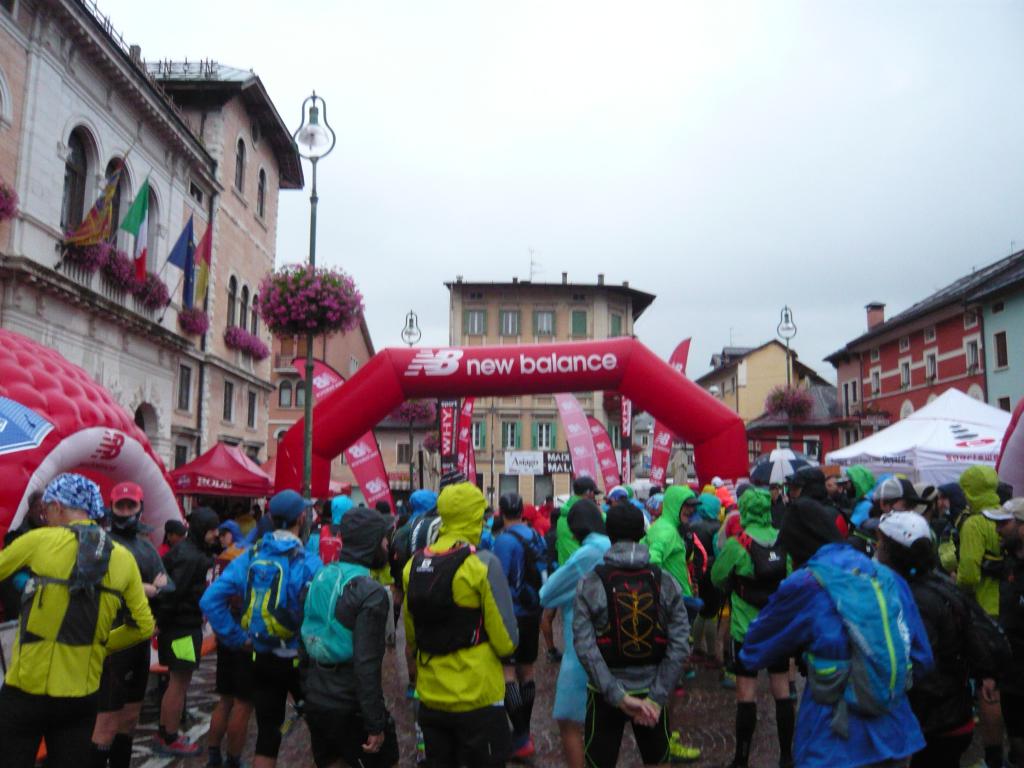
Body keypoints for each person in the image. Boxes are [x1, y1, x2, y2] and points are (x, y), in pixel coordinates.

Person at [739, 502, 934, 768]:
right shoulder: (886, 578)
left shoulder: (805, 583)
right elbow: (922, 658)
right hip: (895, 733)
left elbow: (753, 649)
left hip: (832, 740)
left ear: (797, 547)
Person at [0, 474, 154, 768]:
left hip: (25, 689)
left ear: (57, 507)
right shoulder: (123, 558)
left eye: (46, 512)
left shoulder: (38, 540)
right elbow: (144, 625)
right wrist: (102, 644)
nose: (45, 519)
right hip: (81, 696)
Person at [200, 490, 323, 768]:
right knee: (321, 730)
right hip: (299, 660)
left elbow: (210, 600)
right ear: (301, 518)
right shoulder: (309, 562)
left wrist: (237, 638)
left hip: (262, 656)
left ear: (270, 517)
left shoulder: (249, 556)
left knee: (268, 734)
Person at [403, 482, 518, 767]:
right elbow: (506, 641)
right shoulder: (482, 564)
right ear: (475, 517)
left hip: (431, 695)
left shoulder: (413, 565)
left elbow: (412, 636)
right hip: (478, 695)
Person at [873, 511, 999, 768]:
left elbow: (919, 667)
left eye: (881, 542)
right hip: (953, 714)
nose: (876, 547)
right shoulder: (938, 583)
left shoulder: (914, 599)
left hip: (935, 723)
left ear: (893, 551)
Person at [573, 503, 692, 767]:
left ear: (609, 533)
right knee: (658, 761)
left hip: (604, 693)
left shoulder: (590, 582)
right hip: (652, 688)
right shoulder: (665, 581)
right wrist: (657, 697)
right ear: (642, 533)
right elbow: (680, 644)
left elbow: (584, 646)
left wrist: (617, 695)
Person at [301, 506, 399, 768]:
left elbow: (305, 636)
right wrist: (375, 722)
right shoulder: (370, 592)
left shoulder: (322, 574)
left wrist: (305, 693)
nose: (387, 545)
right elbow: (366, 664)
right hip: (349, 703)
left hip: (317, 697)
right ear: (371, 542)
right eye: (383, 538)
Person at [710, 488, 792, 768]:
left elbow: (717, 577)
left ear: (744, 511)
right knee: (782, 690)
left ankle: (741, 759)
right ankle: (786, 756)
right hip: (777, 627)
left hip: (745, 629)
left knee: (746, 694)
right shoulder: (781, 540)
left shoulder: (737, 544)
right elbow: (791, 576)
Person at [91, 482, 170, 768]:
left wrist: (153, 591)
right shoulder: (102, 543)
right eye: (120, 506)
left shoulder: (146, 547)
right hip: (112, 641)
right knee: (106, 723)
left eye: (130, 505)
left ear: (140, 507)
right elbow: (94, 584)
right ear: (111, 508)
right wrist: (145, 588)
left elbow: (166, 585)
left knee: (129, 720)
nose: (125, 512)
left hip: (139, 643)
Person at [539, 500, 610, 768]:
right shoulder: (611, 545)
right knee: (603, 722)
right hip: (611, 645)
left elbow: (547, 593)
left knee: (568, 721)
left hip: (581, 647)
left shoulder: (587, 553)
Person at [154, 506, 219, 756]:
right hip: (181, 628)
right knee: (179, 682)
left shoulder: (188, 551)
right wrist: (160, 622)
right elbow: (174, 593)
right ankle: (169, 737)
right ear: (202, 529)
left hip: (180, 625)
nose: (215, 534)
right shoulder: (191, 557)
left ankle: (165, 732)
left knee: (178, 681)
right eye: (212, 529)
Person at [956, 466, 1007, 768]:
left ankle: (992, 759)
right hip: (1011, 605)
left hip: (984, 611)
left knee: (990, 686)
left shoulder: (974, 523)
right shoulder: (1007, 516)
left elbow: (968, 575)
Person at [492, 492, 548, 759]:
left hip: (512, 612)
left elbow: (499, 580)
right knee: (528, 670)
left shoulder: (503, 540)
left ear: (501, 511)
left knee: (508, 673)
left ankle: (522, 734)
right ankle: (523, 733)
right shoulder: (535, 535)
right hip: (533, 610)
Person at [206, 520, 253, 768]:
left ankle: (213, 756)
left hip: (225, 633)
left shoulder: (225, 556)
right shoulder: (252, 556)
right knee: (243, 704)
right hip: (244, 636)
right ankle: (233, 760)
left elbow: (212, 596)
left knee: (225, 700)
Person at [993, 497, 1024, 766]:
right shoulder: (1010, 562)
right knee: (1014, 730)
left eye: (1004, 523)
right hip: (1012, 667)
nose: (997, 529)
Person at [643, 484, 697, 597]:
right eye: (686, 506)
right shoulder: (666, 530)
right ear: (674, 505)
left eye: (693, 506)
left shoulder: (668, 526)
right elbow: (652, 560)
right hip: (674, 599)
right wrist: (664, 594)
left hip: (676, 596)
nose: (691, 510)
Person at [556, 476, 600, 565]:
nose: (595, 498)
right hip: (584, 567)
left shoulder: (562, 515)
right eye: (594, 493)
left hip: (566, 567)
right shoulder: (589, 513)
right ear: (588, 493)